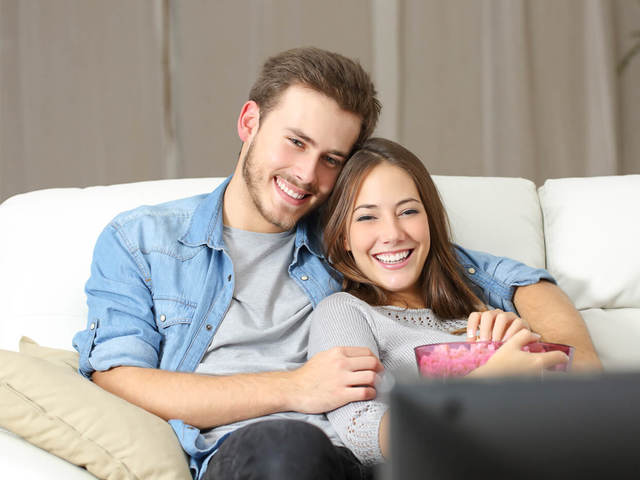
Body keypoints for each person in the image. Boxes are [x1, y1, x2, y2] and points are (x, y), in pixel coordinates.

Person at [72, 48, 599, 480]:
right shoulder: (144, 240)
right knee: (291, 450)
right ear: (249, 122)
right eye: (295, 142)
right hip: (259, 455)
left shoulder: (346, 235)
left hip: (371, 454)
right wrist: (294, 387)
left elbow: (510, 279)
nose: (307, 174)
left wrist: (580, 369)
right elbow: (117, 378)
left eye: (331, 159)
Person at [307, 137, 574, 465]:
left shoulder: (479, 307)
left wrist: (525, 347)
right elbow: (363, 435)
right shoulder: (343, 311)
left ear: (430, 221)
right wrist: (486, 382)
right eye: (367, 217)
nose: (393, 233)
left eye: (408, 211)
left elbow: (570, 411)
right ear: (343, 236)